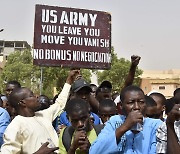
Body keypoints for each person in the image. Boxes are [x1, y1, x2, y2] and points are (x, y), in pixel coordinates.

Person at [0, 70, 80, 154]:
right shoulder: (15, 126)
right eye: (31, 96)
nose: (36, 96)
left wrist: (68, 82)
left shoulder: (43, 115)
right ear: (23, 103)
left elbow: (59, 103)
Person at [89, 85, 163, 154]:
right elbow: (94, 151)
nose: (137, 107)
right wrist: (124, 127)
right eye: (131, 102)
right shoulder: (114, 122)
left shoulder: (155, 125)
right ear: (121, 106)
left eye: (141, 102)